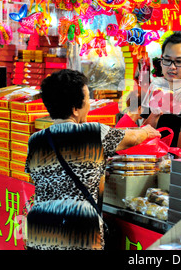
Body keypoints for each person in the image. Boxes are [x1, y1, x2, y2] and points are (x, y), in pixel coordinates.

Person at [24, 69, 160, 250]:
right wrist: (147, 130)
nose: (89, 104)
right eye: (87, 99)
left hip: (40, 230)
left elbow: (37, 179)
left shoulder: (35, 141)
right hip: (80, 233)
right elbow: (133, 138)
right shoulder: (93, 133)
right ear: (75, 109)